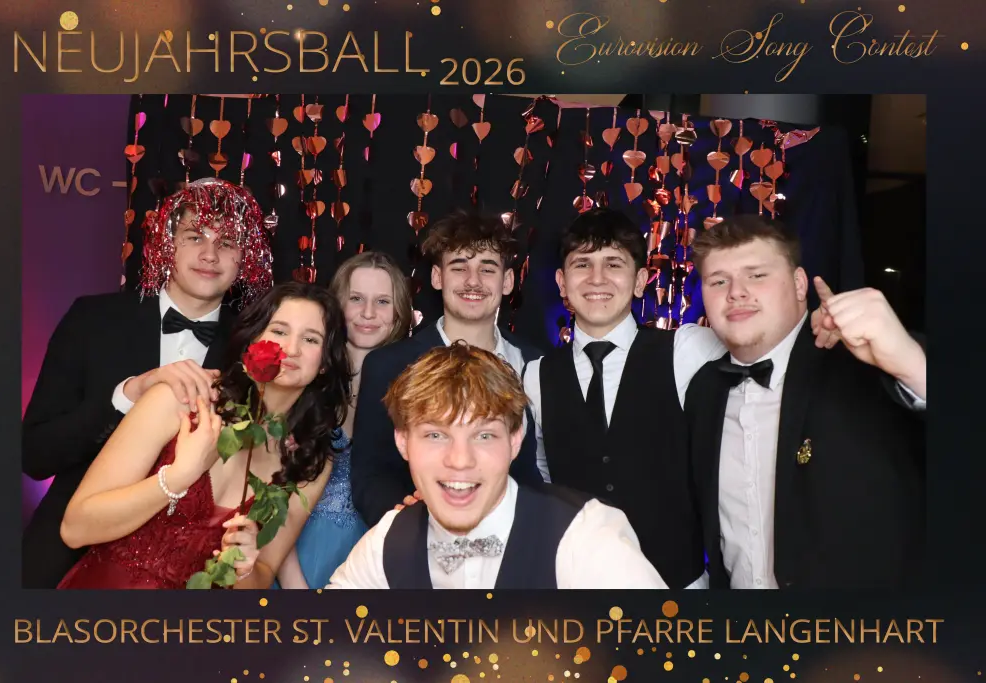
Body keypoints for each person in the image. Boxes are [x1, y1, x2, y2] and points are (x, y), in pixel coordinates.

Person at [22, 177, 273, 588]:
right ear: (167, 242)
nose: (210, 254)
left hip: (178, 576)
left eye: (227, 242)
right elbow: (34, 455)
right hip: (63, 556)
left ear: (245, 257)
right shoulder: (93, 320)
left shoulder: (254, 350)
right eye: (195, 236)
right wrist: (127, 396)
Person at [55, 282, 351, 589]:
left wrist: (245, 569)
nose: (291, 348)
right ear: (253, 339)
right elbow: (75, 528)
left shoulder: (310, 460)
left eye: (311, 339)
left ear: (325, 363)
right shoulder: (182, 400)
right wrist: (177, 478)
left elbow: (264, 572)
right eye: (279, 331)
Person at [684, 215, 926, 589]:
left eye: (756, 275)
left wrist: (910, 362)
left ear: (799, 284)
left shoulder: (867, 364)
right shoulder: (703, 389)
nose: (736, 292)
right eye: (718, 281)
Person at [326, 344, 668, 589]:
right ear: (403, 442)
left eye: (484, 435)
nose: (460, 460)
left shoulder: (586, 537)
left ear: (515, 441)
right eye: (436, 435)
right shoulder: (386, 541)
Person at [522, 208, 727, 590]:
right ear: (562, 283)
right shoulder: (535, 375)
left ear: (640, 280)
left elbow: (759, 347)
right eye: (582, 264)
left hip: (678, 588)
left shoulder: (686, 349)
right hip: (579, 590)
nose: (597, 278)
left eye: (613, 264)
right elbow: (544, 476)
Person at [350, 210, 544, 528]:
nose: (473, 281)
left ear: (508, 281)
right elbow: (371, 476)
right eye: (459, 267)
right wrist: (413, 525)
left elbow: (538, 472)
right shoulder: (388, 365)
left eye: (487, 269)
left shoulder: (535, 364)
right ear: (437, 277)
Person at [276, 252, 412, 589]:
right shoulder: (300, 384)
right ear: (336, 304)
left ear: (400, 312)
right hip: (287, 564)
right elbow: (266, 498)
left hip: (372, 571)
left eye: (382, 301)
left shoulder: (415, 398)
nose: (368, 313)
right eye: (356, 299)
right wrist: (296, 589)